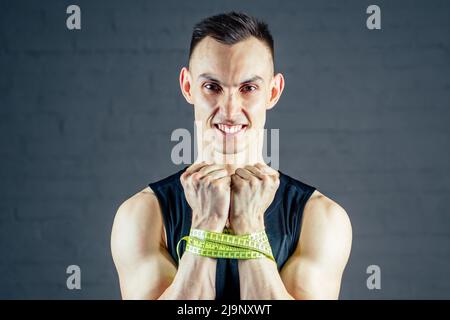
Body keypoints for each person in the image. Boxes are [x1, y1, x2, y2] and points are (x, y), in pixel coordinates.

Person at [111, 12, 352, 300]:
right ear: (188, 87)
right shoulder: (143, 215)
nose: (229, 108)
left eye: (248, 88)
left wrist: (249, 225)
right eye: (212, 87)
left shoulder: (320, 218)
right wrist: (204, 225)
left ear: (273, 92)